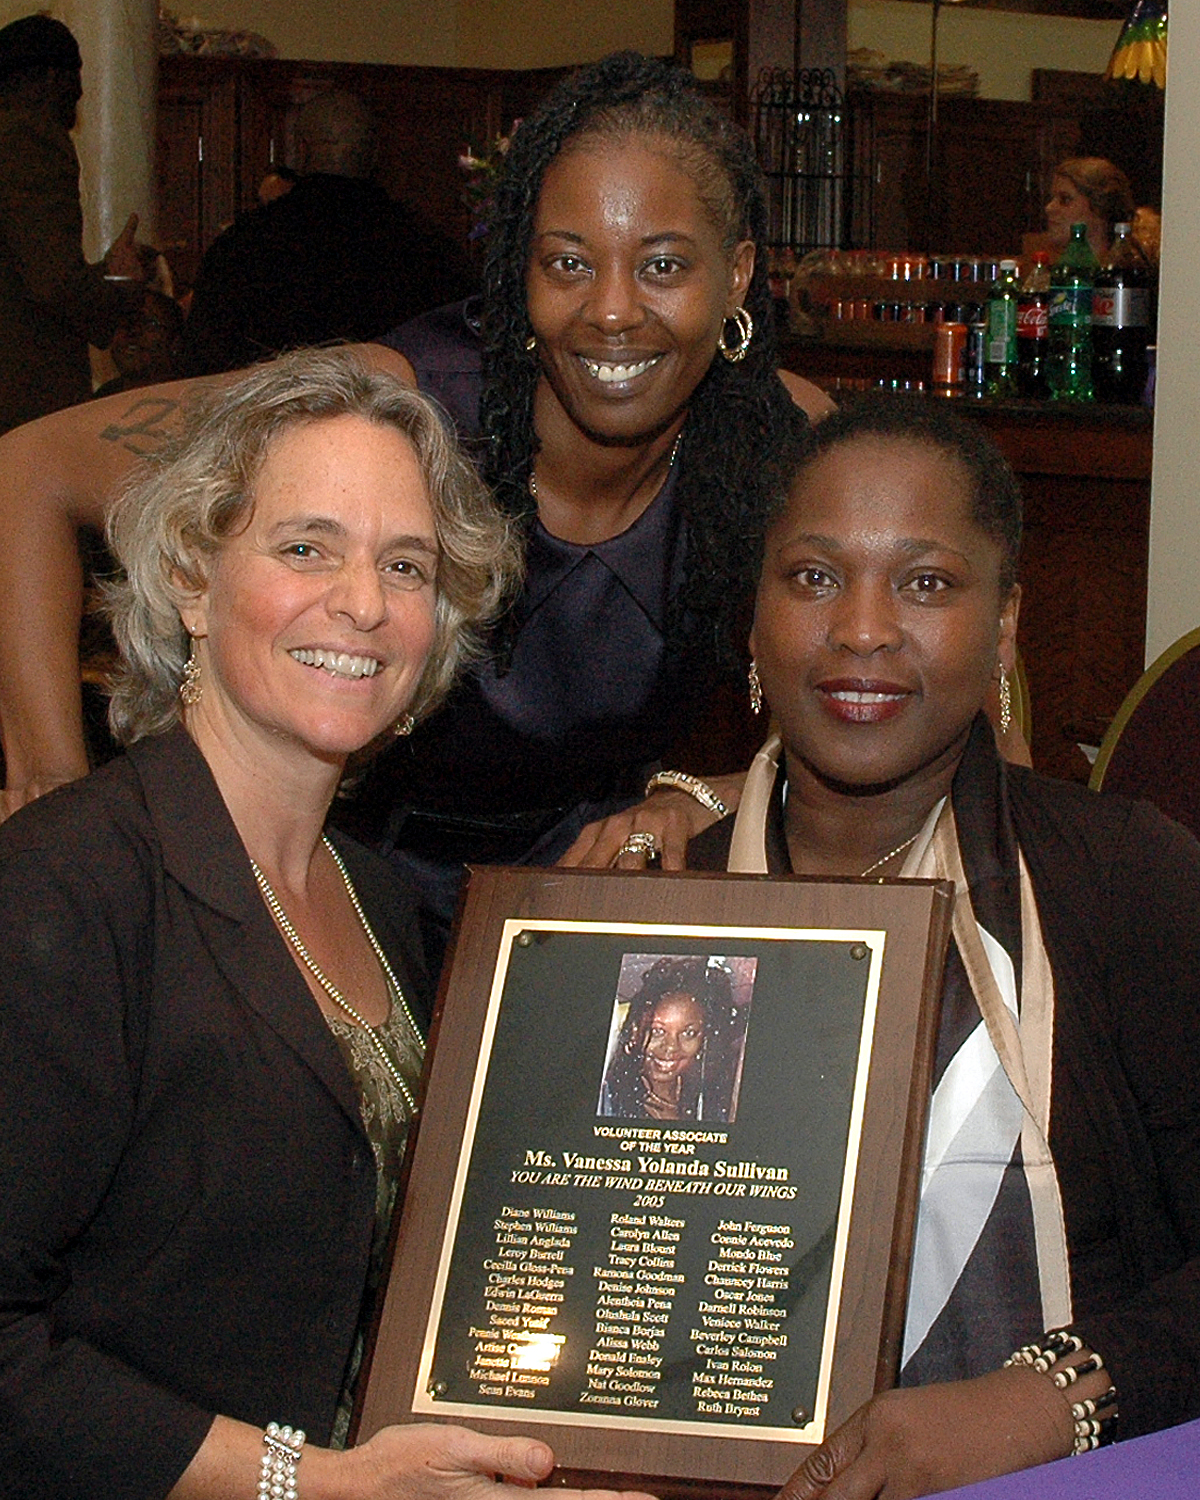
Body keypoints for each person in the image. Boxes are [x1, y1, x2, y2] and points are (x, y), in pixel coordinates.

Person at [0, 347, 658, 1500]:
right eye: (305, 546)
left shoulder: (380, 896)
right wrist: (304, 1484)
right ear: (193, 580)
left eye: (405, 565)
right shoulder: (66, 888)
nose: (362, 603)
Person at [0, 51, 831, 962]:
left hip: (591, 916)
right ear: (520, 269)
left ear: (739, 275)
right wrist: (49, 786)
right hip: (341, 902)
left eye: (664, 265)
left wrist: (707, 793)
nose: (614, 312)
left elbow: (891, 708)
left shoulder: (781, 444)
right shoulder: (396, 407)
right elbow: (31, 470)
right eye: (567, 262)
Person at [685, 397, 1200, 1496]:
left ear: (1006, 622)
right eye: (815, 576)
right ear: (755, 612)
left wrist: (1052, 1401)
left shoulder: (1122, 884)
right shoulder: (649, 909)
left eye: (925, 583)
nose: (863, 628)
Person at [182, 89, 472, 377]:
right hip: (393, 415)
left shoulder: (241, 246)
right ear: (374, 153)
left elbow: (205, 365)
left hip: (276, 415)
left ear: (301, 150)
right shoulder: (430, 248)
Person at [0, 13, 143, 433]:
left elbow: (17, 266)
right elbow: (51, 282)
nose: (80, 94)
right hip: (23, 394)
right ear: (48, 77)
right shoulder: (29, 138)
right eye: (75, 78)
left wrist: (100, 273)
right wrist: (120, 291)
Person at [598, 954, 745, 1121]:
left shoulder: (712, 1099)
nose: (671, 1047)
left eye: (688, 1033)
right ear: (634, 1032)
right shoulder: (608, 1101)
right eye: (657, 1031)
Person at [1043, 156, 1134, 260]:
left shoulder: (1122, 273)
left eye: (1065, 199)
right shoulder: (1057, 271)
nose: (1049, 208)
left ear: (1099, 207)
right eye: (1051, 198)